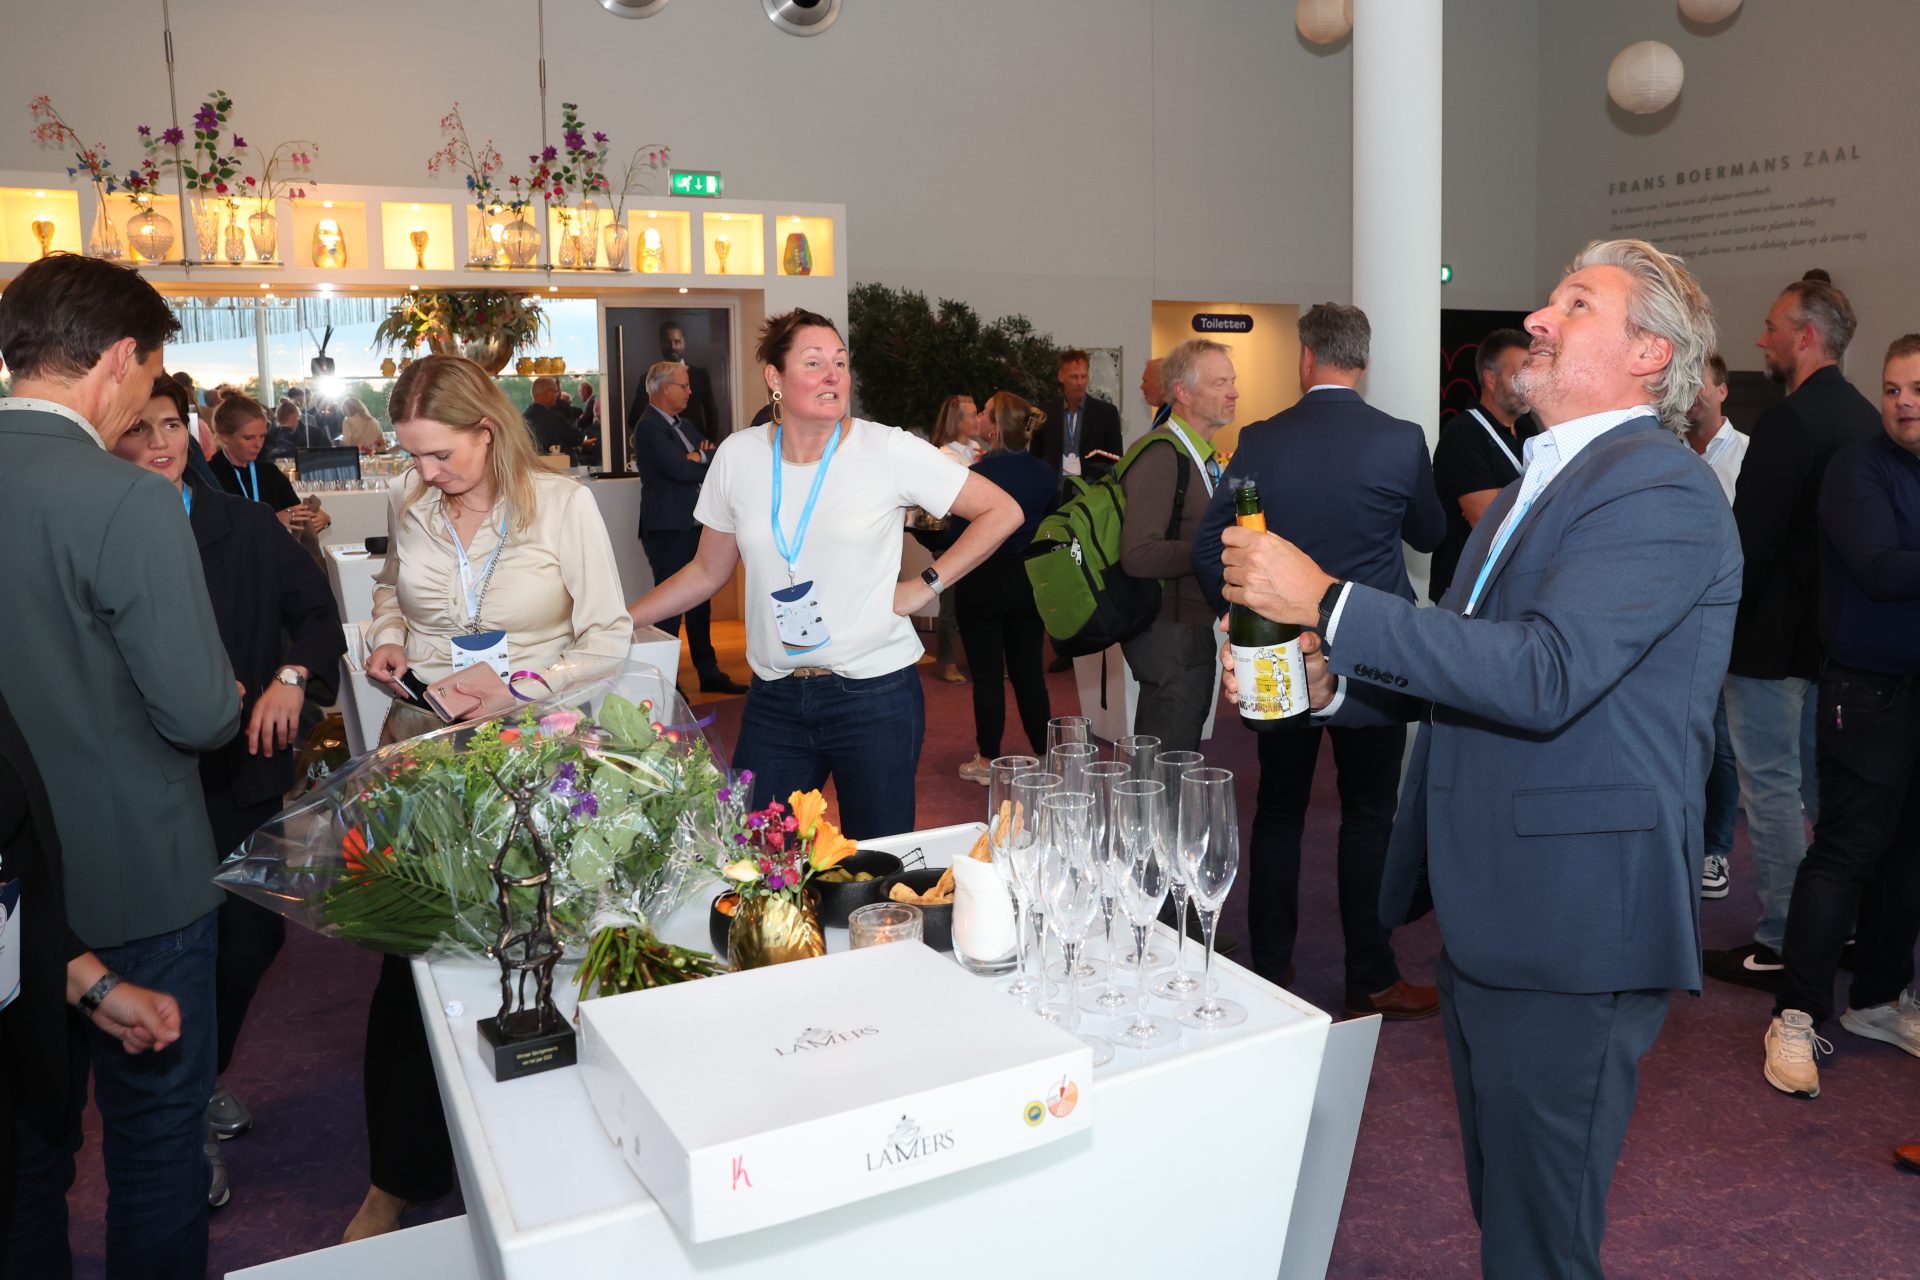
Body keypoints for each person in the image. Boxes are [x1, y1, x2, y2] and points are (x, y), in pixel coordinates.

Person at [1218, 239, 1738, 1278]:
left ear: (1649, 353)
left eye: (1575, 304)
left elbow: (1546, 672)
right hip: (1502, 902)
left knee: (1539, 1238)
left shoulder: (1660, 488)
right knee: (1508, 1209)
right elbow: (1467, 665)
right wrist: (1333, 685)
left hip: (1575, 920)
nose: (1539, 318)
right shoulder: (1541, 482)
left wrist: (1327, 600)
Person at [348, 354, 634, 1242]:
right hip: (424, 750)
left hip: (534, 752)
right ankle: (400, 1174)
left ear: (487, 428)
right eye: (412, 454)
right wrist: (388, 638)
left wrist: (522, 687)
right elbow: (392, 589)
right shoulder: (411, 501)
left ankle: (561, 1156)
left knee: (542, 946)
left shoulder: (563, 505)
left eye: (440, 454)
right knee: (412, 958)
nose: (425, 472)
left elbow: (609, 637)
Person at [0, 252, 242, 1279]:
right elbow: (199, 711)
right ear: (117, 358)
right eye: (148, 377)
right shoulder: (127, 501)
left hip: (14, 906)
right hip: (135, 877)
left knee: (24, 1163)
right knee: (154, 1146)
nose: (147, 402)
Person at [626, 309, 1020, 837]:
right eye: (814, 363)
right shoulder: (739, 457)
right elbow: (705, 570)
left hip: (875, 695)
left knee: (876, 865)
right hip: (775, 698)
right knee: (757, 856)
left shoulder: (886, 449)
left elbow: (1002, 511)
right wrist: (622, 619)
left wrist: (923, 586)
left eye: (840, 362)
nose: (833, 374)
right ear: (775, 377)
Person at [110, 376, 345, 1204]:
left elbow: (316, 617)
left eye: (171, 425)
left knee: (252, 939)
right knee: (165, 950)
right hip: (140, 784)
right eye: (139, 429)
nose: (160, 443)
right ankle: (182, 1123)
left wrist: (291, 676)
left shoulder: (243, 525)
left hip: (241, 772)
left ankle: (200, 1073)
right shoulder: (97, 531)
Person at [1191, 303, 1444, 1016]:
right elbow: (1429, 535)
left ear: (1306, 358)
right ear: (1363, 361)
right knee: (1369, 814)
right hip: (1372, 651)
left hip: (1281, 650)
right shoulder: (1401, 439)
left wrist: (1240, 616)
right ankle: (1371, 978)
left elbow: (1209, 545)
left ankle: (1271, 970)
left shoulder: (1261, 440)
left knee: (1279, 808)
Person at [1706, 279, 1880, 990]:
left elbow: (1749, 542)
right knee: (1824, 788)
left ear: (1806, 336)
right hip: (1835, 640)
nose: (1762, 340)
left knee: (1771, 790)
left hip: (1770, 642)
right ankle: (1841, 926)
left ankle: (1782, 937)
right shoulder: (1864, 417)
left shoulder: (1787, 422)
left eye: (1773, 327)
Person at [1761, 334, 1920, 1099]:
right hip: (1867, 692)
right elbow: (1881, 570)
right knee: (1845, 854)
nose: (1903, 402)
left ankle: (1879, 1000)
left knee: (1909, 857)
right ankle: (1795, 1014)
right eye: (1892, 389)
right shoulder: (1858, 468)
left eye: (1917, 389)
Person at [1118, 338, 1237, 755]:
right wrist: (1217, 548)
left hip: (1183, 630)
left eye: (1233, 381)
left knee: (1165, 758)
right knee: (1170, 764)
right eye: (1220, 383)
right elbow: (1138, 554)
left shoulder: (1193, 454)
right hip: (1170, 633)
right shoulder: (1163, 455)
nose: (1234, 392)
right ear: (1183, 392)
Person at [952, 393, 1057, 784]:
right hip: (1029, 580)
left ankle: (987, 760)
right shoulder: (1043, 473)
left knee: (987, 676)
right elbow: (1053, 521)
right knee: (1030, 672)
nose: (979, 416)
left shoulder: (976, 475)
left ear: (994, 427)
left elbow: (956, 534)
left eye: (984, 412)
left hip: (981, 580)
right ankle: (1046, 755)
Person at [631, 359, 747, 695]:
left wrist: (700, 456)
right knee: (670, 605)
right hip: (669, 527)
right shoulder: (648, 427)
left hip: (695, 524)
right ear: (664, 388)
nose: (690, 391)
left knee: (700, 603)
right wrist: (697, 458)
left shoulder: (687, 425)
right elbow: (679, 471)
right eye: (683, 385)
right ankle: (664, 681)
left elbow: (713, 458)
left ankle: (708, 673)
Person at [1685, 354, 1748, 901]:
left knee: (1722, 742)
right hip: (1672, 617)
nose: (1691, 393)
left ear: (1723, 391)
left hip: (1728, 616)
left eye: (1700, 383)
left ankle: (1715, 849)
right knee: (1678, 734)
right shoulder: (1666, 454)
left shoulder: (1749, 454)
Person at [1429, 328, 1535, 602]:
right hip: (1467, 591)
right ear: (1490, 378)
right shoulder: (1462, 434)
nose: (1528, 385)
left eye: (1530, 374)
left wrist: (1505, 498)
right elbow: (1490, 522)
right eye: (1518, 376)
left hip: (1514, 586)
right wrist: (1534, 502)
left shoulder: (1529, 429)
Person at [208, 393, 331, 538]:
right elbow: (214, 529)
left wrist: (321, 518)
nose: (258, 444)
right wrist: (272, 519)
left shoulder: (269, 473)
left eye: (262, 436)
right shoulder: (209, 476)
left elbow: (296, 510)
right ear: (224, 436)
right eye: (248, 438)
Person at [928, 393, 981, 685]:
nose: (978, 418)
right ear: (957, 421)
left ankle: (976, 657)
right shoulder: (944, 455)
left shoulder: (977, 449)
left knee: (977, 603)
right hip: (952, 538)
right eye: (972, 414)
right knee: (950, 605)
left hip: (976, 534)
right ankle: (947, 661)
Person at [1032, 348, 1123, 487]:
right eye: (1074, 377)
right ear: (1061, 376)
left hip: (1092, 491)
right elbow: (1034, 454)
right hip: (1053, 489)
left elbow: (1116, 458)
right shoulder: (1043, 412)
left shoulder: (1107, 413)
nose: (1080, 383)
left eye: (1084, 376)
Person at [657, 319, 721, 443]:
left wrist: (709, 443)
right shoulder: (650, 378)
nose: (672, 347)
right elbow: (636, 417)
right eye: (667, 342)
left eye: (677, 342)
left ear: (684, 343)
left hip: (696, 443)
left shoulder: (699, 375)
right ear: (660, 343)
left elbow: (711, 413)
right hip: (663, 444)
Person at [523, 374, 585, 461]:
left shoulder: (523, 418)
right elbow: (577, 439)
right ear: (547, 392)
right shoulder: (555, 418)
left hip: (532, 465)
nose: (557, 395)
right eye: (555, 391)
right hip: (561, 466)